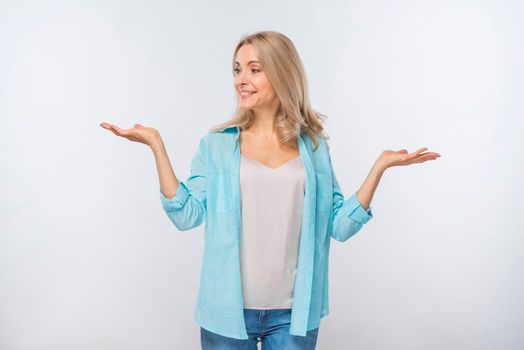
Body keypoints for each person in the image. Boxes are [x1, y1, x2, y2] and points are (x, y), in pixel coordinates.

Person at [100, 31, 441, 350]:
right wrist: (156, 146)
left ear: (281, 74)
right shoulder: (216, 146)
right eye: (237, 70)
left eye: (254, 69)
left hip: (293, 315)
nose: (240, 80)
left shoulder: (314, 148)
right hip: (226, 313)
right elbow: (186, 215)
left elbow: (339, 225)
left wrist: (379, 167)